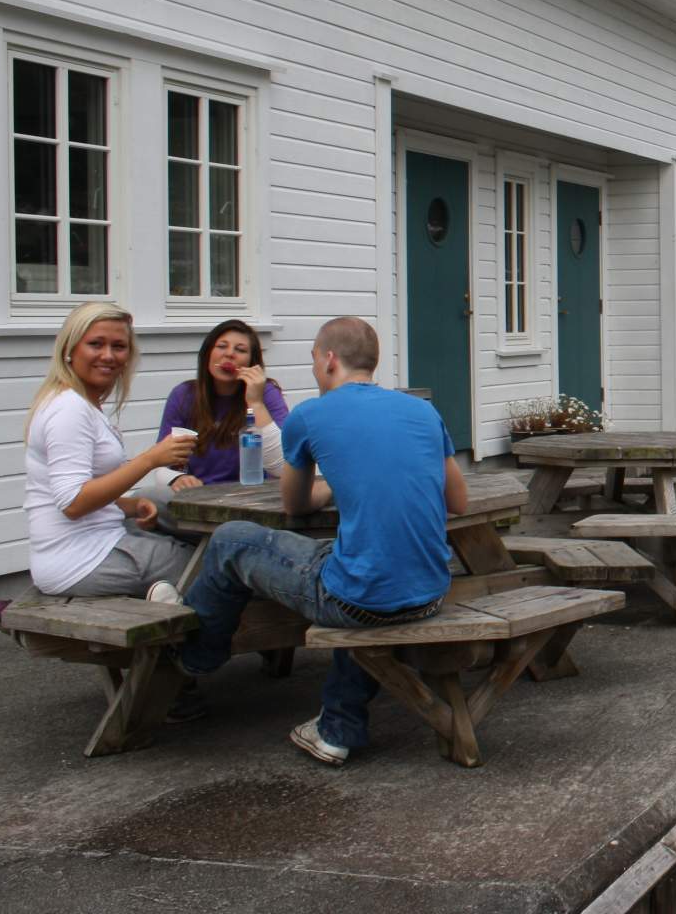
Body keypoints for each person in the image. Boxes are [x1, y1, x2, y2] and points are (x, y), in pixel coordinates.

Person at [177, 317, 469, 765]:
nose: (315, 369)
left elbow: (294, 505)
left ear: (330, 360)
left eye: (314, 359)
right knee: (361, 565)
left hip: (359, 600)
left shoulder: (313, 416)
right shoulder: (423, 411)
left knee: (233, 538)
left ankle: (194, 658)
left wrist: (329, 483)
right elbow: (459, 501)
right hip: (431, 590)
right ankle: (337, 727)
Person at [22, 302, 197, 600]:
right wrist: (151, 459)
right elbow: (73, 502)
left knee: (199, 545)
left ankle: (165, 604)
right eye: (95, 344)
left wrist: (129, 505)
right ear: (70, 349)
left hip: (93, 546)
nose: (108, 355)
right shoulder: (69, 409)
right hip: (81, 561)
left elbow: (74, 488)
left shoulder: (81, 403)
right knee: (214, 562)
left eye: (119, 346)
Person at [146, 320, 289, 498]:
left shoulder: (265, 393)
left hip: (254, 496)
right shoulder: (184, 395)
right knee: (145, 496)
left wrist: (256, 403)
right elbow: (162, 462)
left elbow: (284, 466)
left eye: (241, 350)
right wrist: (177, 478)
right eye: (222, 346)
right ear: (207, 354)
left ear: (252, 363)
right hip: (200, 495)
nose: (229, 354)